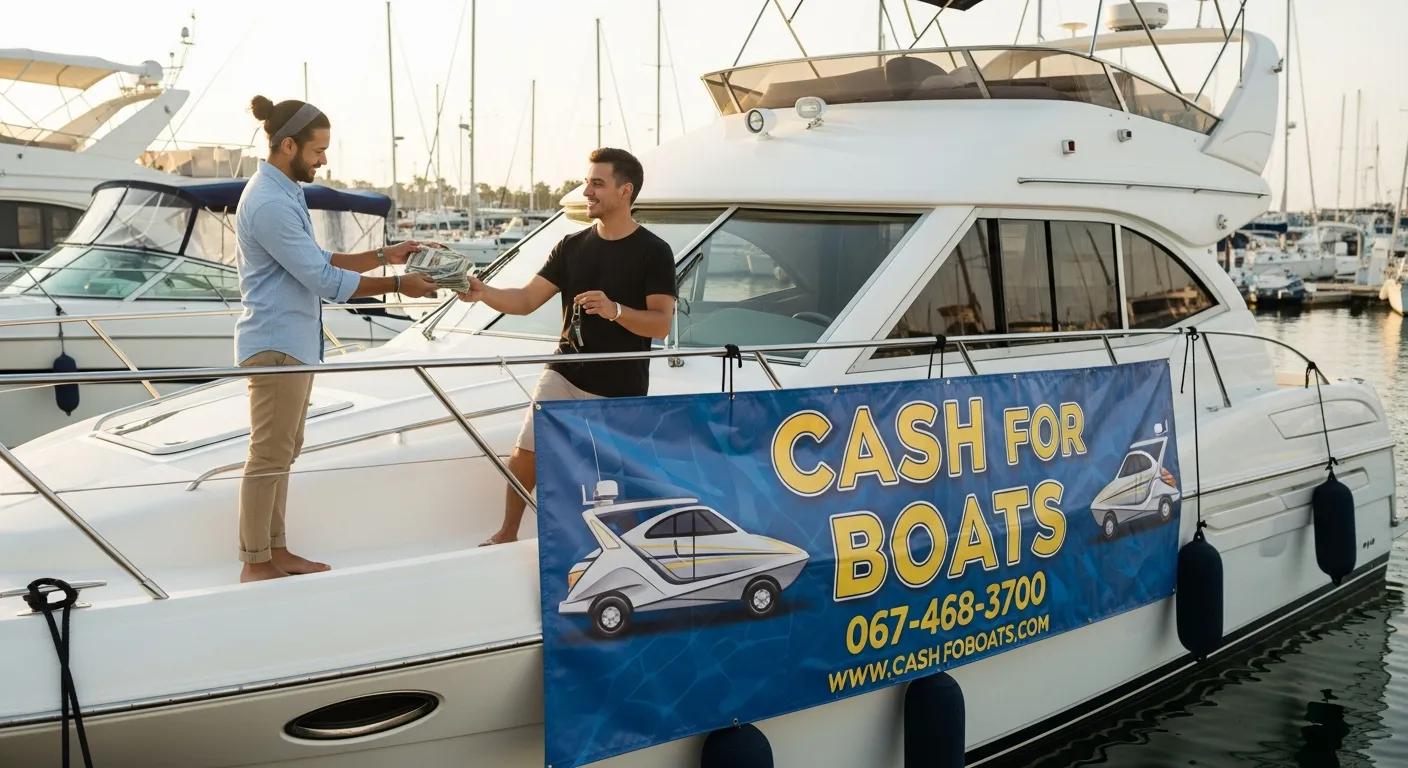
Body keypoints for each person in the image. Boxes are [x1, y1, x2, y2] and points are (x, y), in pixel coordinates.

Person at [235, 95, 439, 582]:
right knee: (269, 454)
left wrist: (387, 255)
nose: (323, 159)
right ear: (288, 145)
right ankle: (255, 563)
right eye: (317, 150)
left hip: (292, 344)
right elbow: (323, 281)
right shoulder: (267, 202)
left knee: (283, 451)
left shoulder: (284, 192)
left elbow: (322, 260)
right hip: (276, 345)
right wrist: (399, 285)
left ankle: (275, 551)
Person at [456, 148, 676, 545]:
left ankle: (631, 546)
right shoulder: (570, 246)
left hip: (619, 383)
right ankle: (507, 533)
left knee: (613, 472)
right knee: (528, 448)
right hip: (565, 369)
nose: (586, 190)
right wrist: (483, 292)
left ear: (625, 191)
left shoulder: (654, 251)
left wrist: (614, 310)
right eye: (587, 181)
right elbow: (524, 301)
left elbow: (661, 324)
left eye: (597, 183)